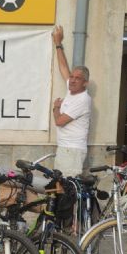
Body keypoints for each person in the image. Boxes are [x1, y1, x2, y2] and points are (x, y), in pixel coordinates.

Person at [50, 25, 92, 177]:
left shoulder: (82, 100)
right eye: (72, 77)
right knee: (60, 187)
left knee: (67, 189)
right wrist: (58, 44)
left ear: (85, 82)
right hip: (66, 148)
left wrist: (55, 108)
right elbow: (63, 67)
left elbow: (60, 121)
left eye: (77, 78)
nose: (72, 80)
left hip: (72, 150)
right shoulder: (72, 90)